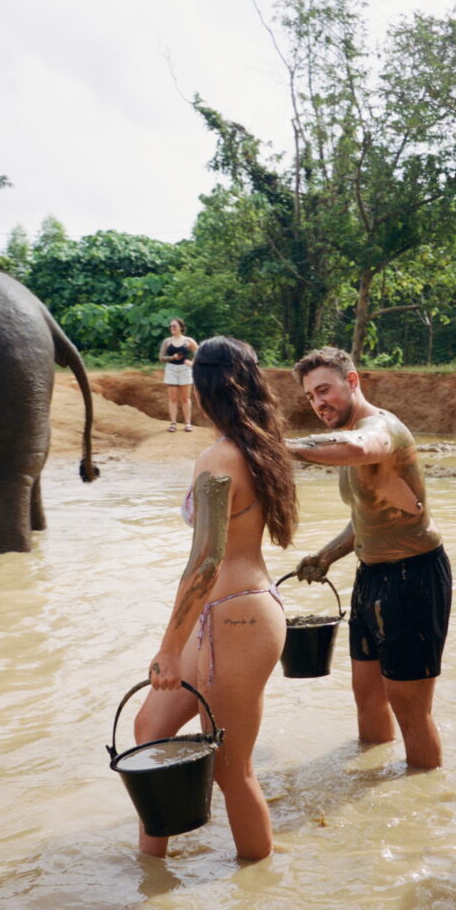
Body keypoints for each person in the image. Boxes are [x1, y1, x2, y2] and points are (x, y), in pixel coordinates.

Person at [134, 336, 298, 860]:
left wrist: (166, 647)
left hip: (235, 622)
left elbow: (205, 562)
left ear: (202, 389)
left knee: (232, 772)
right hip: (235, 614)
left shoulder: (218, 458)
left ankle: (254, 886)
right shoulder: (259, 445)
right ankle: (149, 871)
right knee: (150, 729)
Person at [287, 346, 452, 770]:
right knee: (366, 693)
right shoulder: (345, 434)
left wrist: (279, 448)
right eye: (310, 397)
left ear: (353, 382)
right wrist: (325, 556)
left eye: (325, 390)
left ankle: (422, 799)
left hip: (415, 578)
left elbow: (362, 448)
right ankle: (369, 790)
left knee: (410, 708)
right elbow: (367, 515)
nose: (319, 403)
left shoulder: (380, 430)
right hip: (372, 576)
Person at [158, 318, 198, 432]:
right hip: (171, 369)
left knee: (185, 398)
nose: (172, 328)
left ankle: (188, 423)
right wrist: (172, 358)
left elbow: (199, 352)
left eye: (174, 326)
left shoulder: (188, 341)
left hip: (185, 370)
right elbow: (161, 357)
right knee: (173, 398)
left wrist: (192, 363)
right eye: (170, 326)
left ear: (181, 327)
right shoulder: (167, 341)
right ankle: (173, 423)